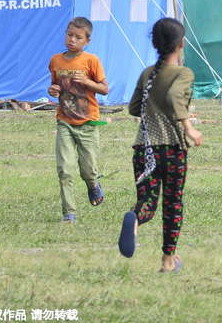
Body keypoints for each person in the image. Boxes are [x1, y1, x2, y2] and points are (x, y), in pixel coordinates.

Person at [118, 18, 203, 272]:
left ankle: (134, 220)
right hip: (172, 150)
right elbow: (176, 96)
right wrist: (188, 127)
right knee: (172, 204)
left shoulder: (147, 73)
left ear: (155, 43)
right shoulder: (183, 73)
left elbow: (135, 108)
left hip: (144, 150)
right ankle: (168, 261)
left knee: (147, 201)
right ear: (181, 44)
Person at [48, 17, 109, 224]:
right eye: (69, 35)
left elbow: (104, 88)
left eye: (78, 37)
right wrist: (52, 90)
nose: (72, 40)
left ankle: (93, 184)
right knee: (65, 169)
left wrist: (87, 82)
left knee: (88, 169)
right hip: (64, 121)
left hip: (88, 123)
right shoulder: (56, 60)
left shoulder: (91, 61)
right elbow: (55, 86)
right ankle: (69, 213)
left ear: (87, 41)